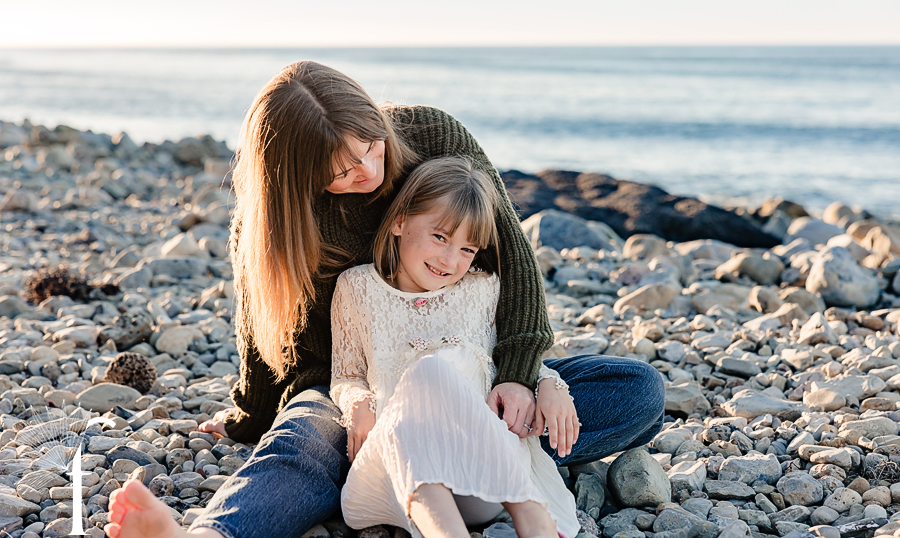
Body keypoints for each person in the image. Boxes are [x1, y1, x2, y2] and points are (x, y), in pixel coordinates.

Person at [104, 61, 665, 538]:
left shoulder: (433, 137)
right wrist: (252, 417)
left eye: (370, 146)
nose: (369, 171)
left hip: (470, 381)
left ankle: (452, 462)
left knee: (637, 391)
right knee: (303, 449)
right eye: (343, 170)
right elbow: (261, 332)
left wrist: (525, 375)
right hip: (357, 392)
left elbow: (512, 259)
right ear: (295, 175)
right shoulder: (277, 224)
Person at [332, 157, 579, 538]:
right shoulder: (355, 289)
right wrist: (358, 405)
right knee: (428, 371)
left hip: (483, 475)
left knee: (443, 366)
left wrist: (550, 383)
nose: (451, 260)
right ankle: (532, 521)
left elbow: (501, 360)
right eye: (441, 237)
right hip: (393, 472)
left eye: (468, 249)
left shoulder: (482, 289)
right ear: (399, 221)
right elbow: (345, 373)